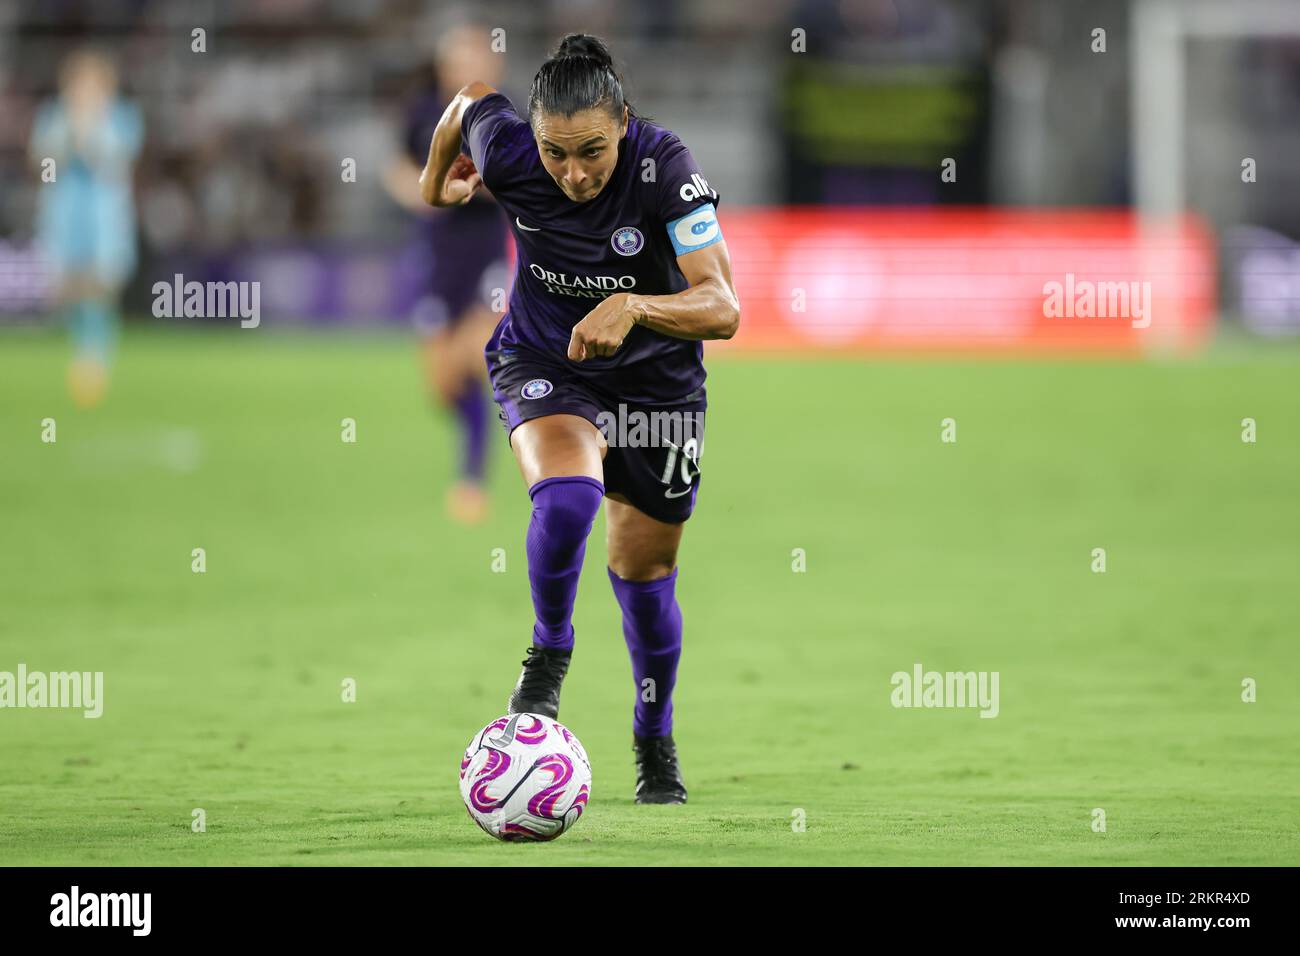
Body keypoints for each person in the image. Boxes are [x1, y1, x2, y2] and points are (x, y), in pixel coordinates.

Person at [419, 33, 740, 804]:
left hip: (657, 392)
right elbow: (466, 104)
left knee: (646, 576)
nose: (572, 173)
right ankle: (549, 655)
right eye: (555, 153)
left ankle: (653, 736)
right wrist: (439, 182)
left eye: (591, 151)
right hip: (546, 359)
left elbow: (722, 306)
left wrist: (632, 305)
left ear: (623, 124)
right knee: (567, 498)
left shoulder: (666, 169)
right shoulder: (511, 151)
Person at [384, 24, 509, 523]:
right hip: (438, 254)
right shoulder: (422, 114)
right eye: (456, 62)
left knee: (471, 357)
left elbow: (532, 181)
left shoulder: (508, 116)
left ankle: (472, 480)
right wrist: (419, 191)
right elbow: (399, 166)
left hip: (487, 254)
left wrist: (476, 185)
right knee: (440, 382)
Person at [29, 49, 143, 408]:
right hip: (64, 219)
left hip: (104, 223)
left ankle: (95, 363)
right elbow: (43, 162)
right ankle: (83, 357)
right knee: (71, 292)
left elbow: (116, 160)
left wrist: (91, 133)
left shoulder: (122, 117)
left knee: (99, 291)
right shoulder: (53, 117)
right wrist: (68, 135)